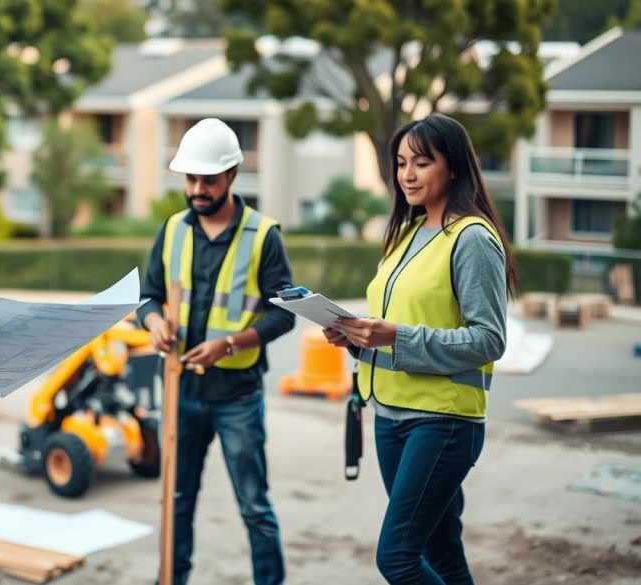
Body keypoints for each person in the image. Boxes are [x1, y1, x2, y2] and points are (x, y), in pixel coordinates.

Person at [324, 114, 518, 584]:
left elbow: (490, 338)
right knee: (443, 553)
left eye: (422, 162)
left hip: (444, 422)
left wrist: (394, 336)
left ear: (452, 167)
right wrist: (355, 338)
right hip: (390, 417)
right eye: (401, 163)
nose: (407, 174)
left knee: (397, 558)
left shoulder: (472, 239)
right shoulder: (407, 235)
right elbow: (397, 324)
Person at [139, 118, 295, 585]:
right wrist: (153, 323)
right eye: (191, 179)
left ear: (232, 175)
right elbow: (148, 296)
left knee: (254, 507)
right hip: (180, 390)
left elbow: (284, 313)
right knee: (177, 501)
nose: (198, 188)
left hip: (237, 396)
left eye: (208, 179)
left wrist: (229, 344)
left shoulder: (264, 235)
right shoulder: (172, 231)